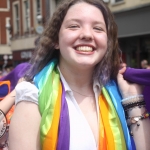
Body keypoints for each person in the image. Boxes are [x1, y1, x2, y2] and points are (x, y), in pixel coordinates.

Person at [9, 0, 150, 150]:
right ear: (56, 40)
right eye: (74, 26)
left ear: (107, 42)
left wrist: (132, 98)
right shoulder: (33, 96)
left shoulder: (123, 93)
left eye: (97, 28)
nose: (87, 35)